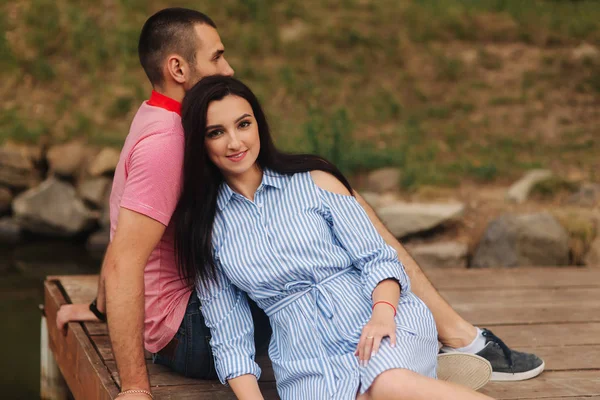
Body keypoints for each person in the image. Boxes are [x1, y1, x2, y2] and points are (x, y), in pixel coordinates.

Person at [55, 7, 543, 399]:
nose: (229, 68)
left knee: (323, 194)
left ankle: (410, 348)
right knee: (330, 220)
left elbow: (128, 225)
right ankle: (445, 342)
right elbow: (126, 261)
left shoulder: (154, 119)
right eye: (218, 57)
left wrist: (101, 308)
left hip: (173, 320)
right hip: (191, 334)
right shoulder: (168, 143)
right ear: (178, 68)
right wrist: (135, 388)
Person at [173, 74, 493, 400]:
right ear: (200, 142)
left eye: (243, 124)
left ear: (259, 125)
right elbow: (230, 333)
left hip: (377, 322)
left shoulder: (315, 180)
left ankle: (411, 381)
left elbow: (377, 259)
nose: (235, 142)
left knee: (386, 385)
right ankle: (428, 385)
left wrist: (383, 314)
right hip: (306, 361)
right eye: (216, 132)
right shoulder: (206, 230)